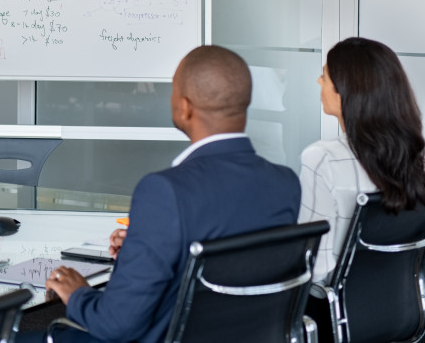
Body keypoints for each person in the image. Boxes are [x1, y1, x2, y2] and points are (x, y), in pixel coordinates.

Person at [40, 45, 301, 343]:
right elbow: (233, 259)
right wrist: (146, 246)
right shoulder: (285, 183)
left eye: (173, 90)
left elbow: (116, 325)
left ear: (185, 107)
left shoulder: (165, 191)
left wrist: (78, 294)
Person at [298, 36, 425, 283]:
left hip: (335, 315)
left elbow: (316, 269)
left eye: (325, 77)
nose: (318, 81)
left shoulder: (322, 159)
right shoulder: (416, 154)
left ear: (346, 92)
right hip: (405, 309)